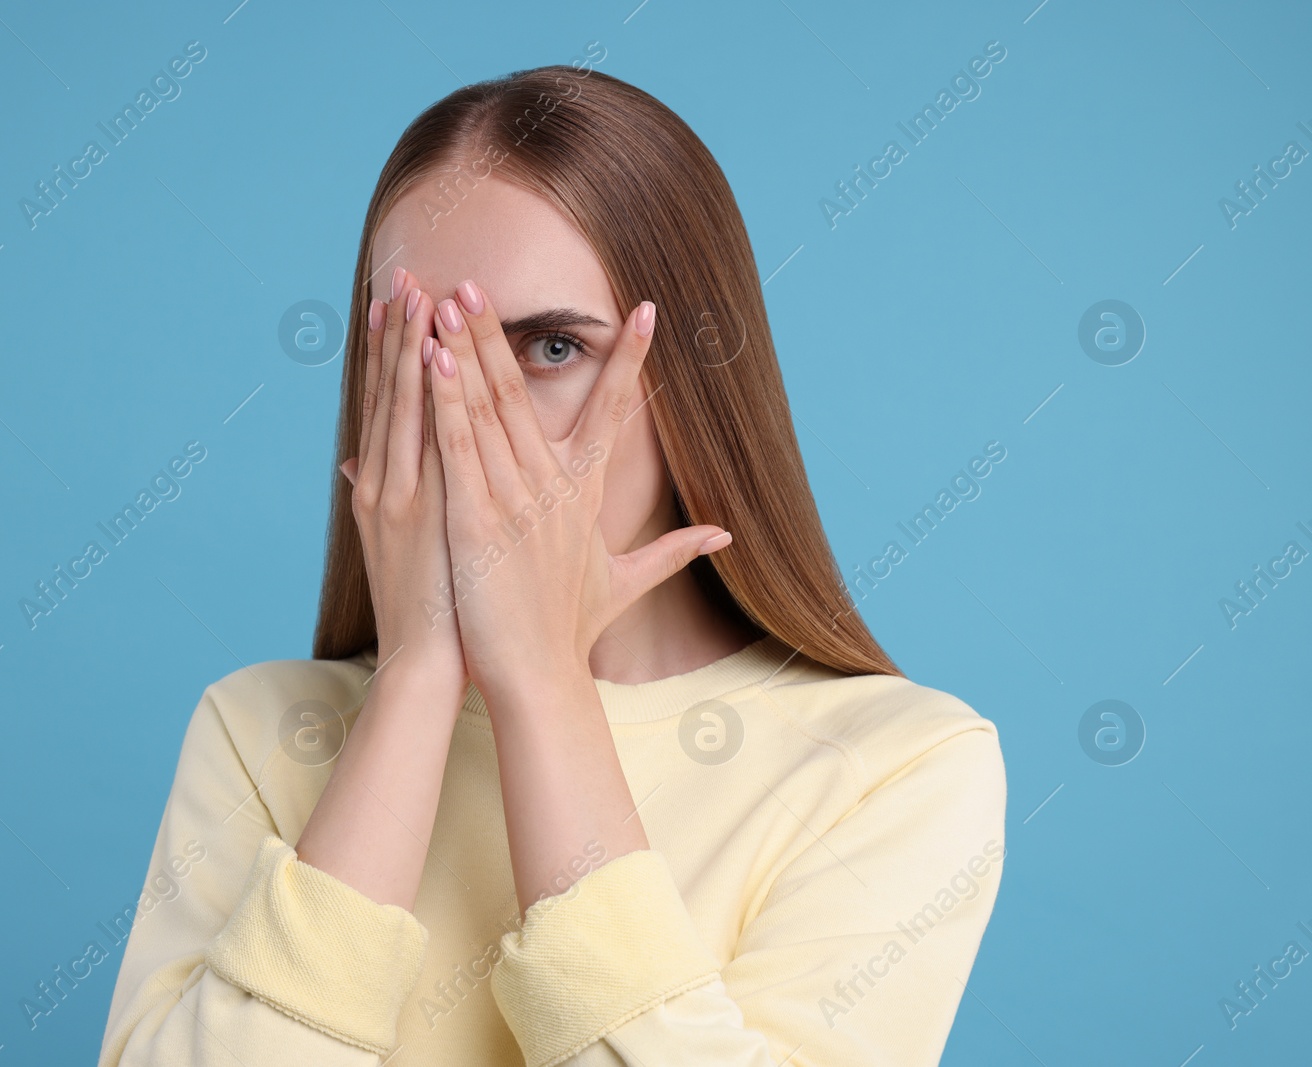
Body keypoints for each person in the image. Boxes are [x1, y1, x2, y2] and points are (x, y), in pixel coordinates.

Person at [100, 64, 1006, 1066]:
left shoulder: (898, 766)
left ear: (689, 386)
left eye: (547, 349)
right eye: (418, 346)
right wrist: (413, 684)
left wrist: (541, 683)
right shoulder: (262, 729)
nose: (461, 410)